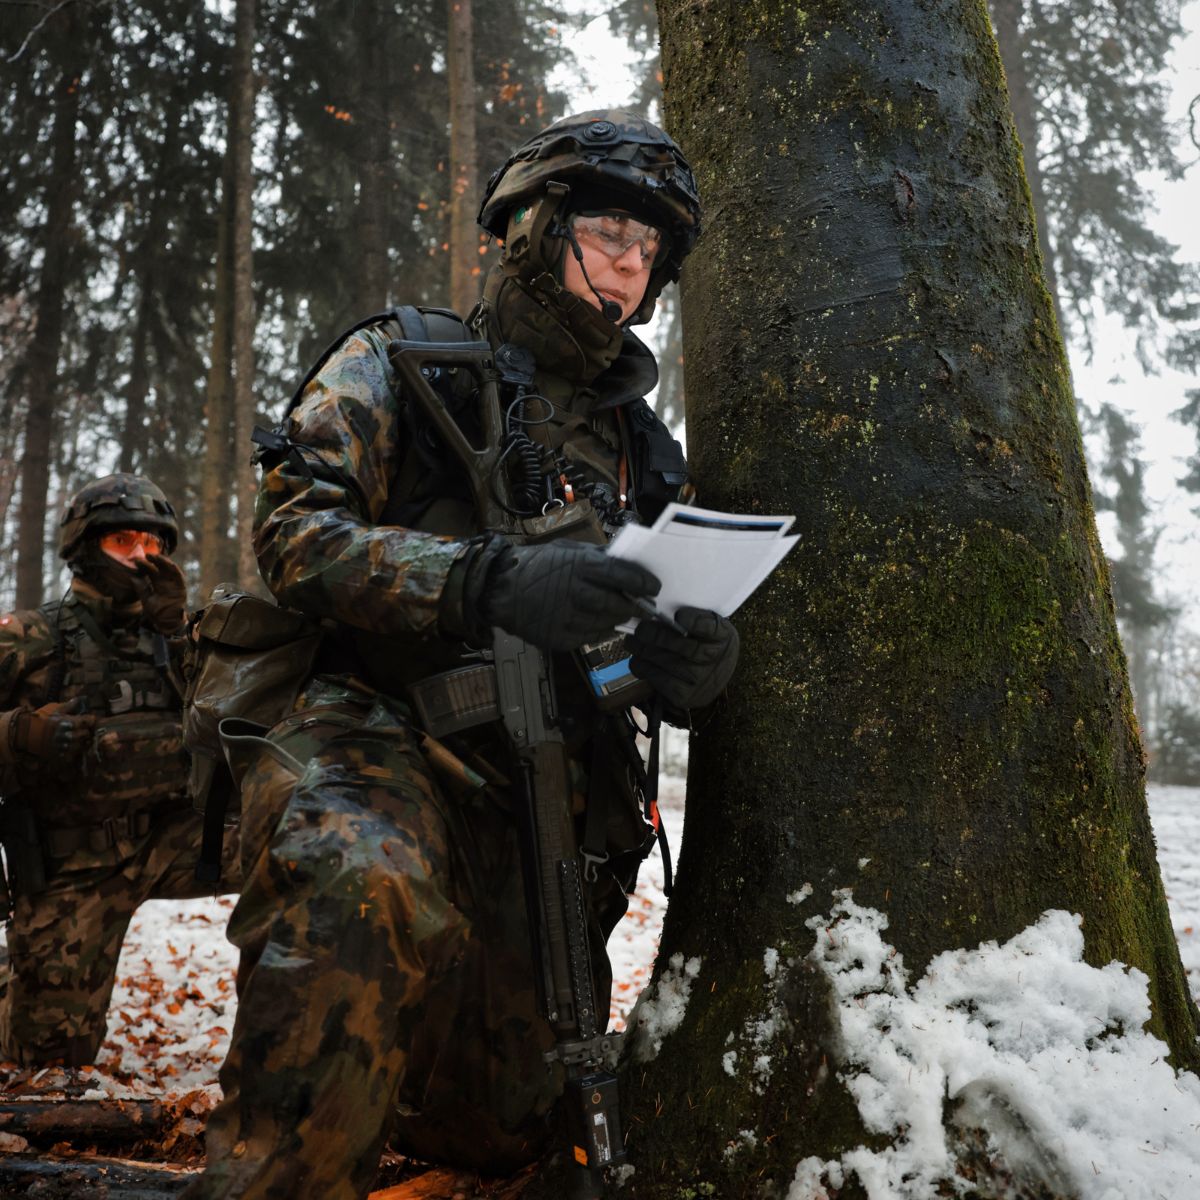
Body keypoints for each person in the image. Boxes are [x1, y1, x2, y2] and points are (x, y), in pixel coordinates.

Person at [186, 110, 737, 1200]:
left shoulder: (641, 452)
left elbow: (634, 631)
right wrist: (475, 580)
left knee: (501, 1126)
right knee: (360, 885)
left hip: (537, 783)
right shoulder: (400, 360)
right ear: (536, 228)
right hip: (366, 724)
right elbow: (292, 538)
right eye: (609, 235)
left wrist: (681, 670)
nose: (628, 269)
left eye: (648, 254)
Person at [0, 473, 239, 1067]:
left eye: (153, 544)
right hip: (73, 866)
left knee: (303, 854)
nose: (141, 556)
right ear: (85, 547)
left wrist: (181, 637)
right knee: (47, 1065)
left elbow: (235, 720)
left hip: (178, 841)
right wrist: (18, 734)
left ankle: (280, 1060)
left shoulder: (181, 637)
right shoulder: (32, 637)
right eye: (124, 541)